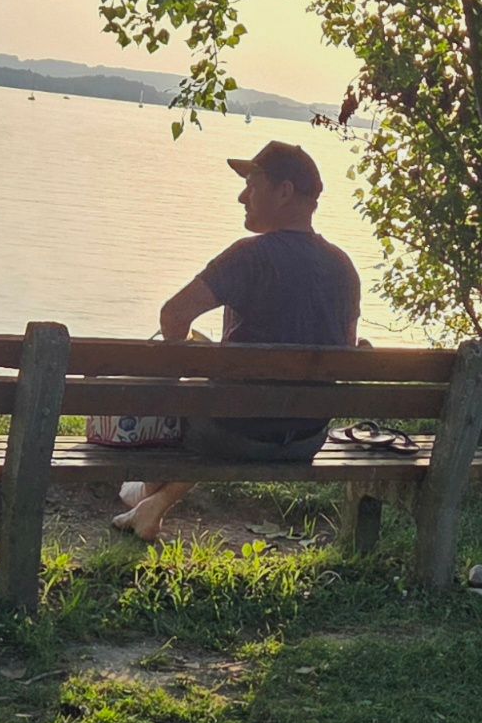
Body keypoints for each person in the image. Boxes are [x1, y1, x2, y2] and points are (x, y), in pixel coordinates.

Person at [105, 140, 361, 541]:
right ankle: (150, 506)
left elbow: (174, 314)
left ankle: (145, 489)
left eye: (252, 185)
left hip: (235, 433)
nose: (242, 196)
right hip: (306, 438)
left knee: (194, 400)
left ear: (284, 192)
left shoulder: (249, 256)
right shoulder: (344, 267)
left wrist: (185, 360)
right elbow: (346, 350)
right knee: (228, 399)